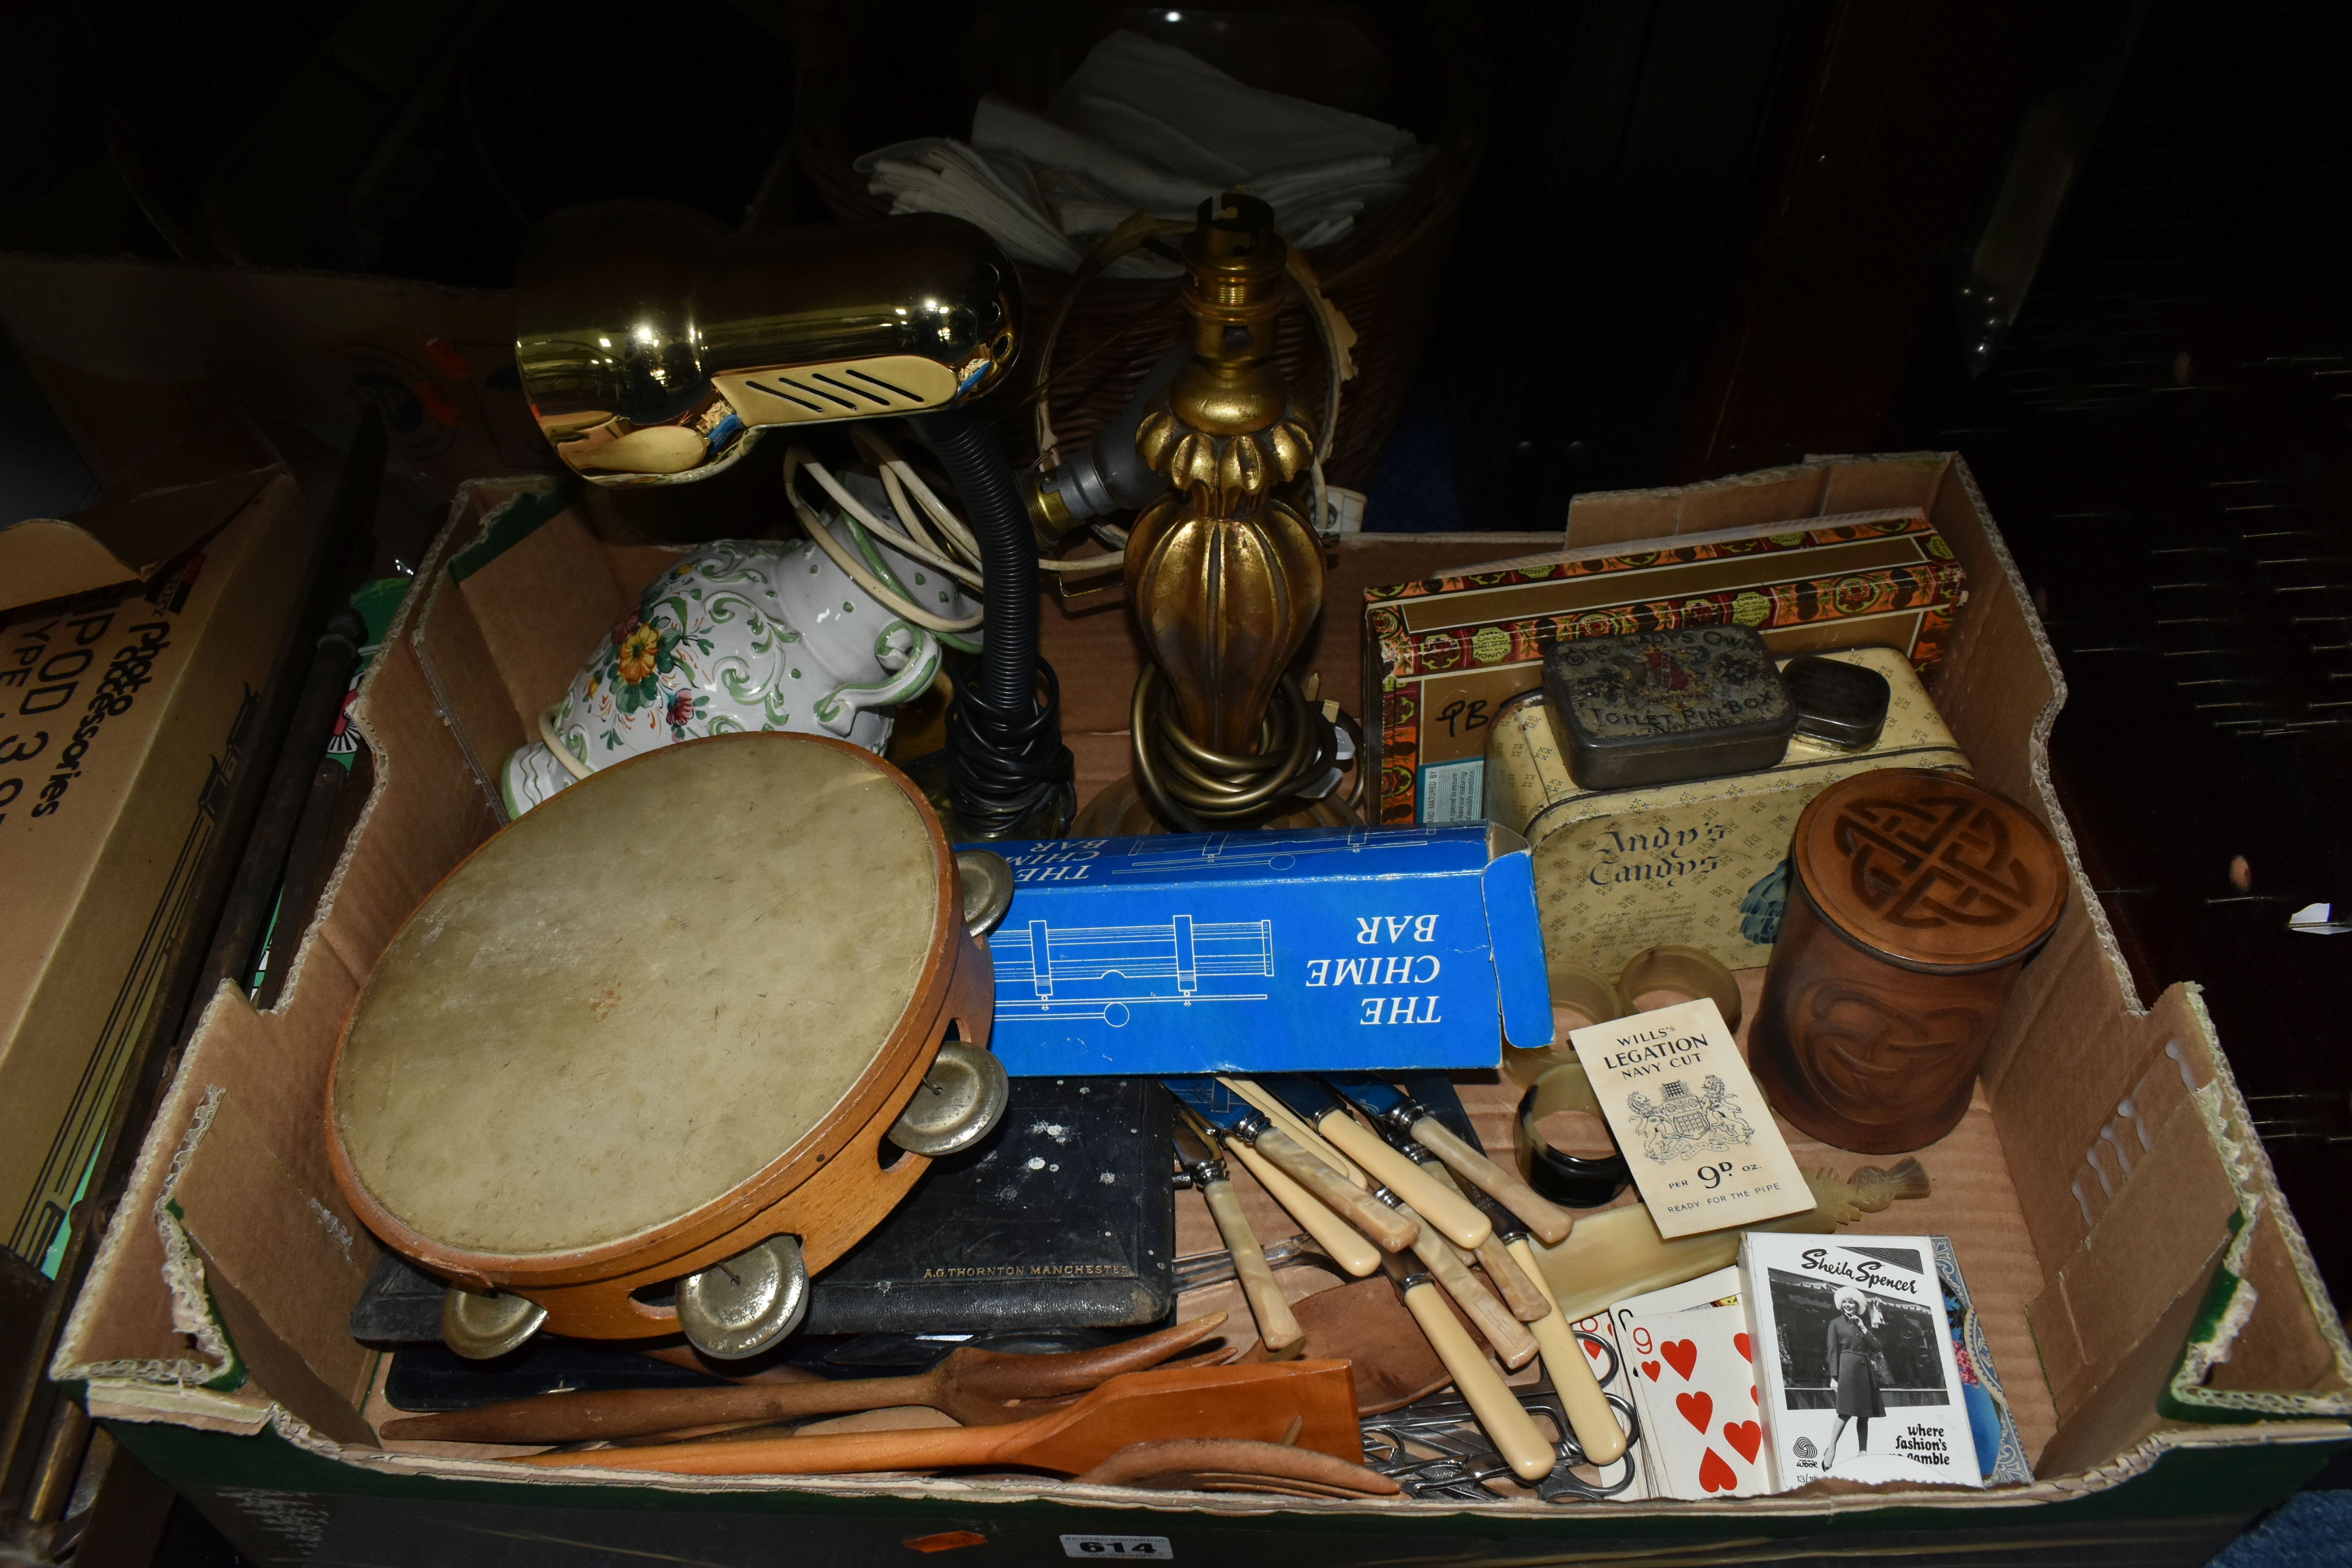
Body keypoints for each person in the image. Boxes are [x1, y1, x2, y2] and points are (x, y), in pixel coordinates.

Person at [1824, 1287, 1886, 1465]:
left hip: (1865, 1371)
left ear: (1857, 1306)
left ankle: (1863, 1452)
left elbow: (1877, 1347)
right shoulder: (1835, 1323)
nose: (1848, 1305)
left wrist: (1863, 1327)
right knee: (1845, 1411)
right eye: (1845, 1302)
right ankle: (1832, 1448)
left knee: (1864, 1414)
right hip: (1847, 1370)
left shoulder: (1861, 1323)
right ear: (1841, 1304)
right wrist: (1834, 1377)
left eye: (1851, 1302)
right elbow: (1833, 1351)